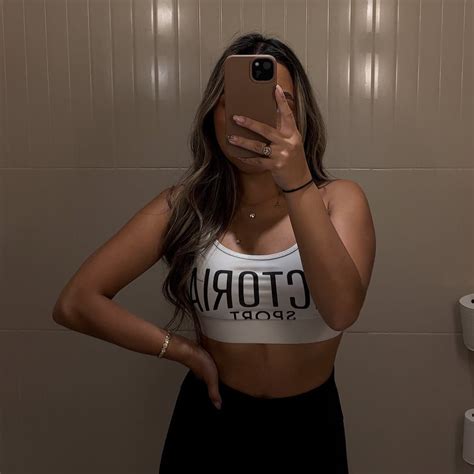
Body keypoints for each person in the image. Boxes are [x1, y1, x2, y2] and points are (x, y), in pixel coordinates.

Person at [52, 32, 376, 473]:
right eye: (234, 102)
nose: (251, 118)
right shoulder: (185, 205)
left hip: (308, 430)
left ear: (299, 118)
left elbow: (341, 311)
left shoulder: (339, 200)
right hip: (209, 424)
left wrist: (297, 182)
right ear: (212, 116)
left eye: (278, 103)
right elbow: (75, 303)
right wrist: (183, 351)